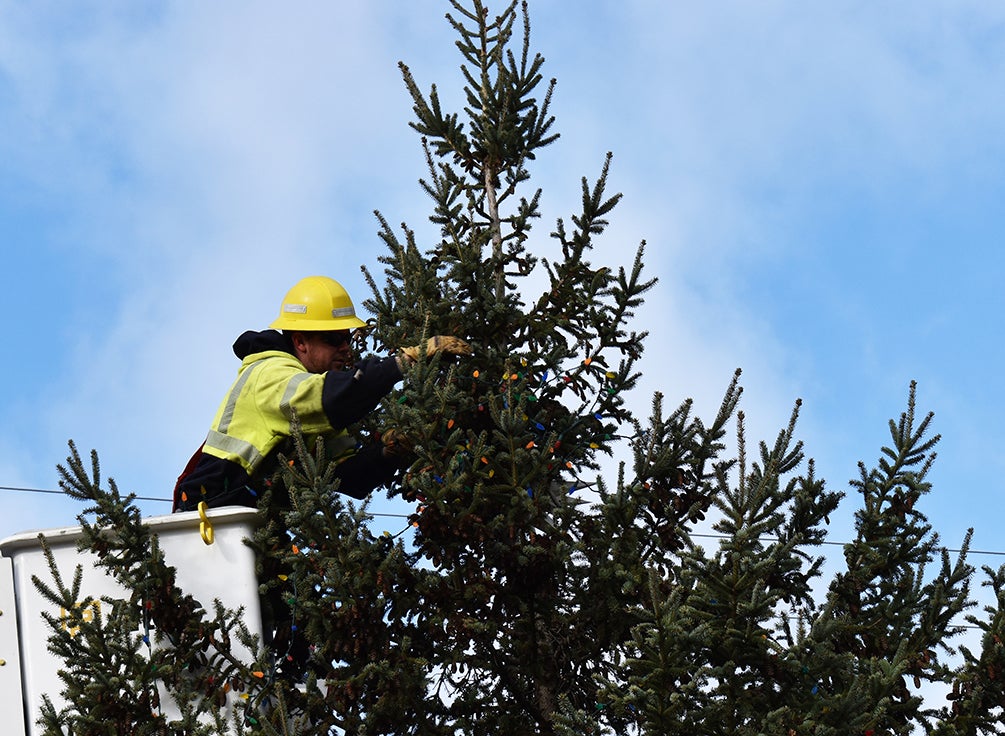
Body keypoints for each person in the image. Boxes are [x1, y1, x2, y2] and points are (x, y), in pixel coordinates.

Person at [172, 275, 469, 512]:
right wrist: (406, 360)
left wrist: (389, 453)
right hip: (209, 518)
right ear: (300, 342)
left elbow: (348, 476)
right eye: (333, 339)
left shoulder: (313, 409)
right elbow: (334, 398)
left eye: (347, 339)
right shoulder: (270, 375)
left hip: (254, 529)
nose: (345, 348)